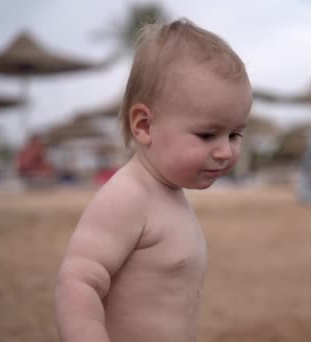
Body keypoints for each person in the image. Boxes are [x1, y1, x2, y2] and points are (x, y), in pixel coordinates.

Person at [54, 18, 252, 342]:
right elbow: (79, 280)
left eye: (234, 134)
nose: (225, 151)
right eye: (207, 134)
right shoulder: (128, 196)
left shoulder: (168, 193)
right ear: (144, 125)